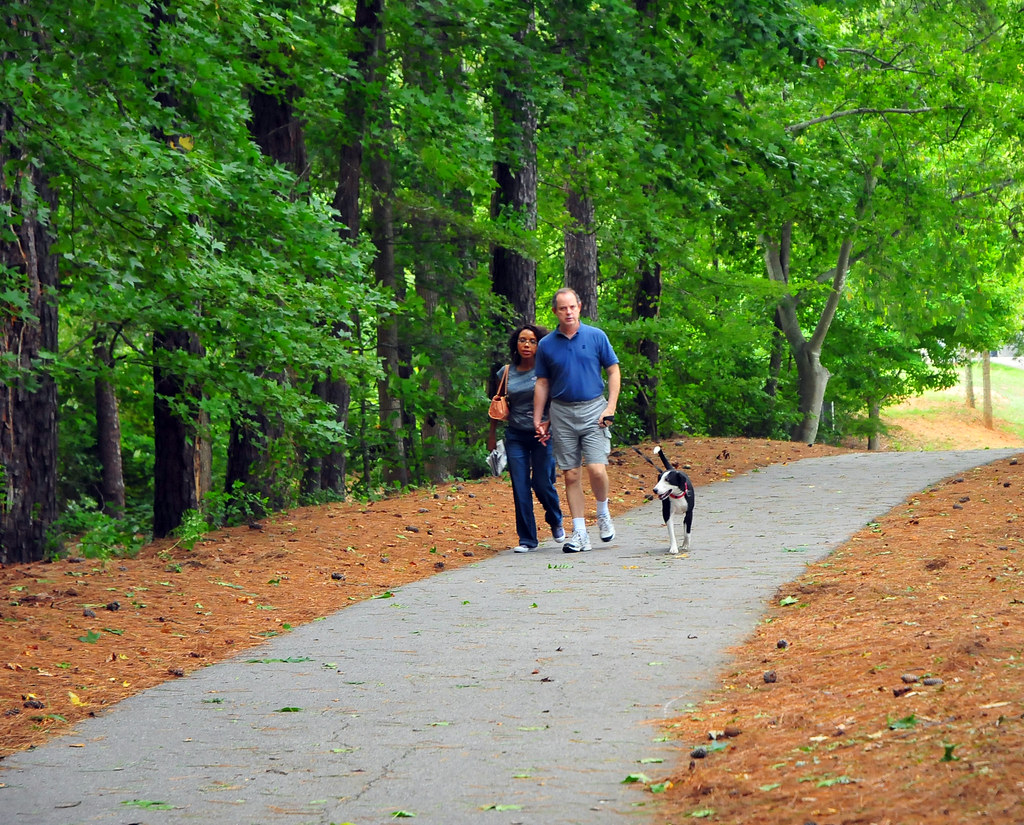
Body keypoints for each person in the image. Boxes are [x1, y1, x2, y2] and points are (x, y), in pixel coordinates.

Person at [532, 287, 620, 554]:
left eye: (572, 307)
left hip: (594, 409)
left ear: (579, 307)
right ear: (555, 312)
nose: (568, 312)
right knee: (570, 474)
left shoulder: (596, 336)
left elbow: (613, 371)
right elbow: (543, 382)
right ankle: (579, 532)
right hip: (561, 412)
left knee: (596, 469)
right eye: (562, 308)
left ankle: (603, 511)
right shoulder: (546, 345)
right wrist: (540, 418)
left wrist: (610, 407)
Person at [487, 323, 566, 553]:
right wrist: (491, 435)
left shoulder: (546, 370)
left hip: (544, 436)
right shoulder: (506, 372)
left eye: (532, 341)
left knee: (542, 482)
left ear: (539, 345)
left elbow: (557, 402)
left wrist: (548, 423)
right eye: (523, 340)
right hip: (516, 436)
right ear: (516, 344)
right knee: (520, 487)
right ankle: (528, 539)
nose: (527, 345)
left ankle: (555, 519)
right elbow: (497, 403)